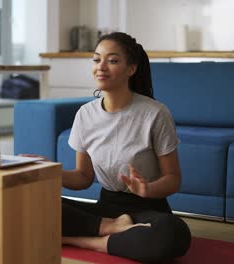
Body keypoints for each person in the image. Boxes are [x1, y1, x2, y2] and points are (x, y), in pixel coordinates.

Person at [26, 32, 191, 263]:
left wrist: (147, 189)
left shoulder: (155, 113)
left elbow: (173, 179)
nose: (101, 67)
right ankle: (111, 227)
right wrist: (48, 170)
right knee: (32, 203)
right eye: (96, 60)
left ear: (131, 69)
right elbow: (83, 177)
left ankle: (84, 240)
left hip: (148, 209)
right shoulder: (85, 114)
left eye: (112, 60)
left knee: (174, 234)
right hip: (106, 209)